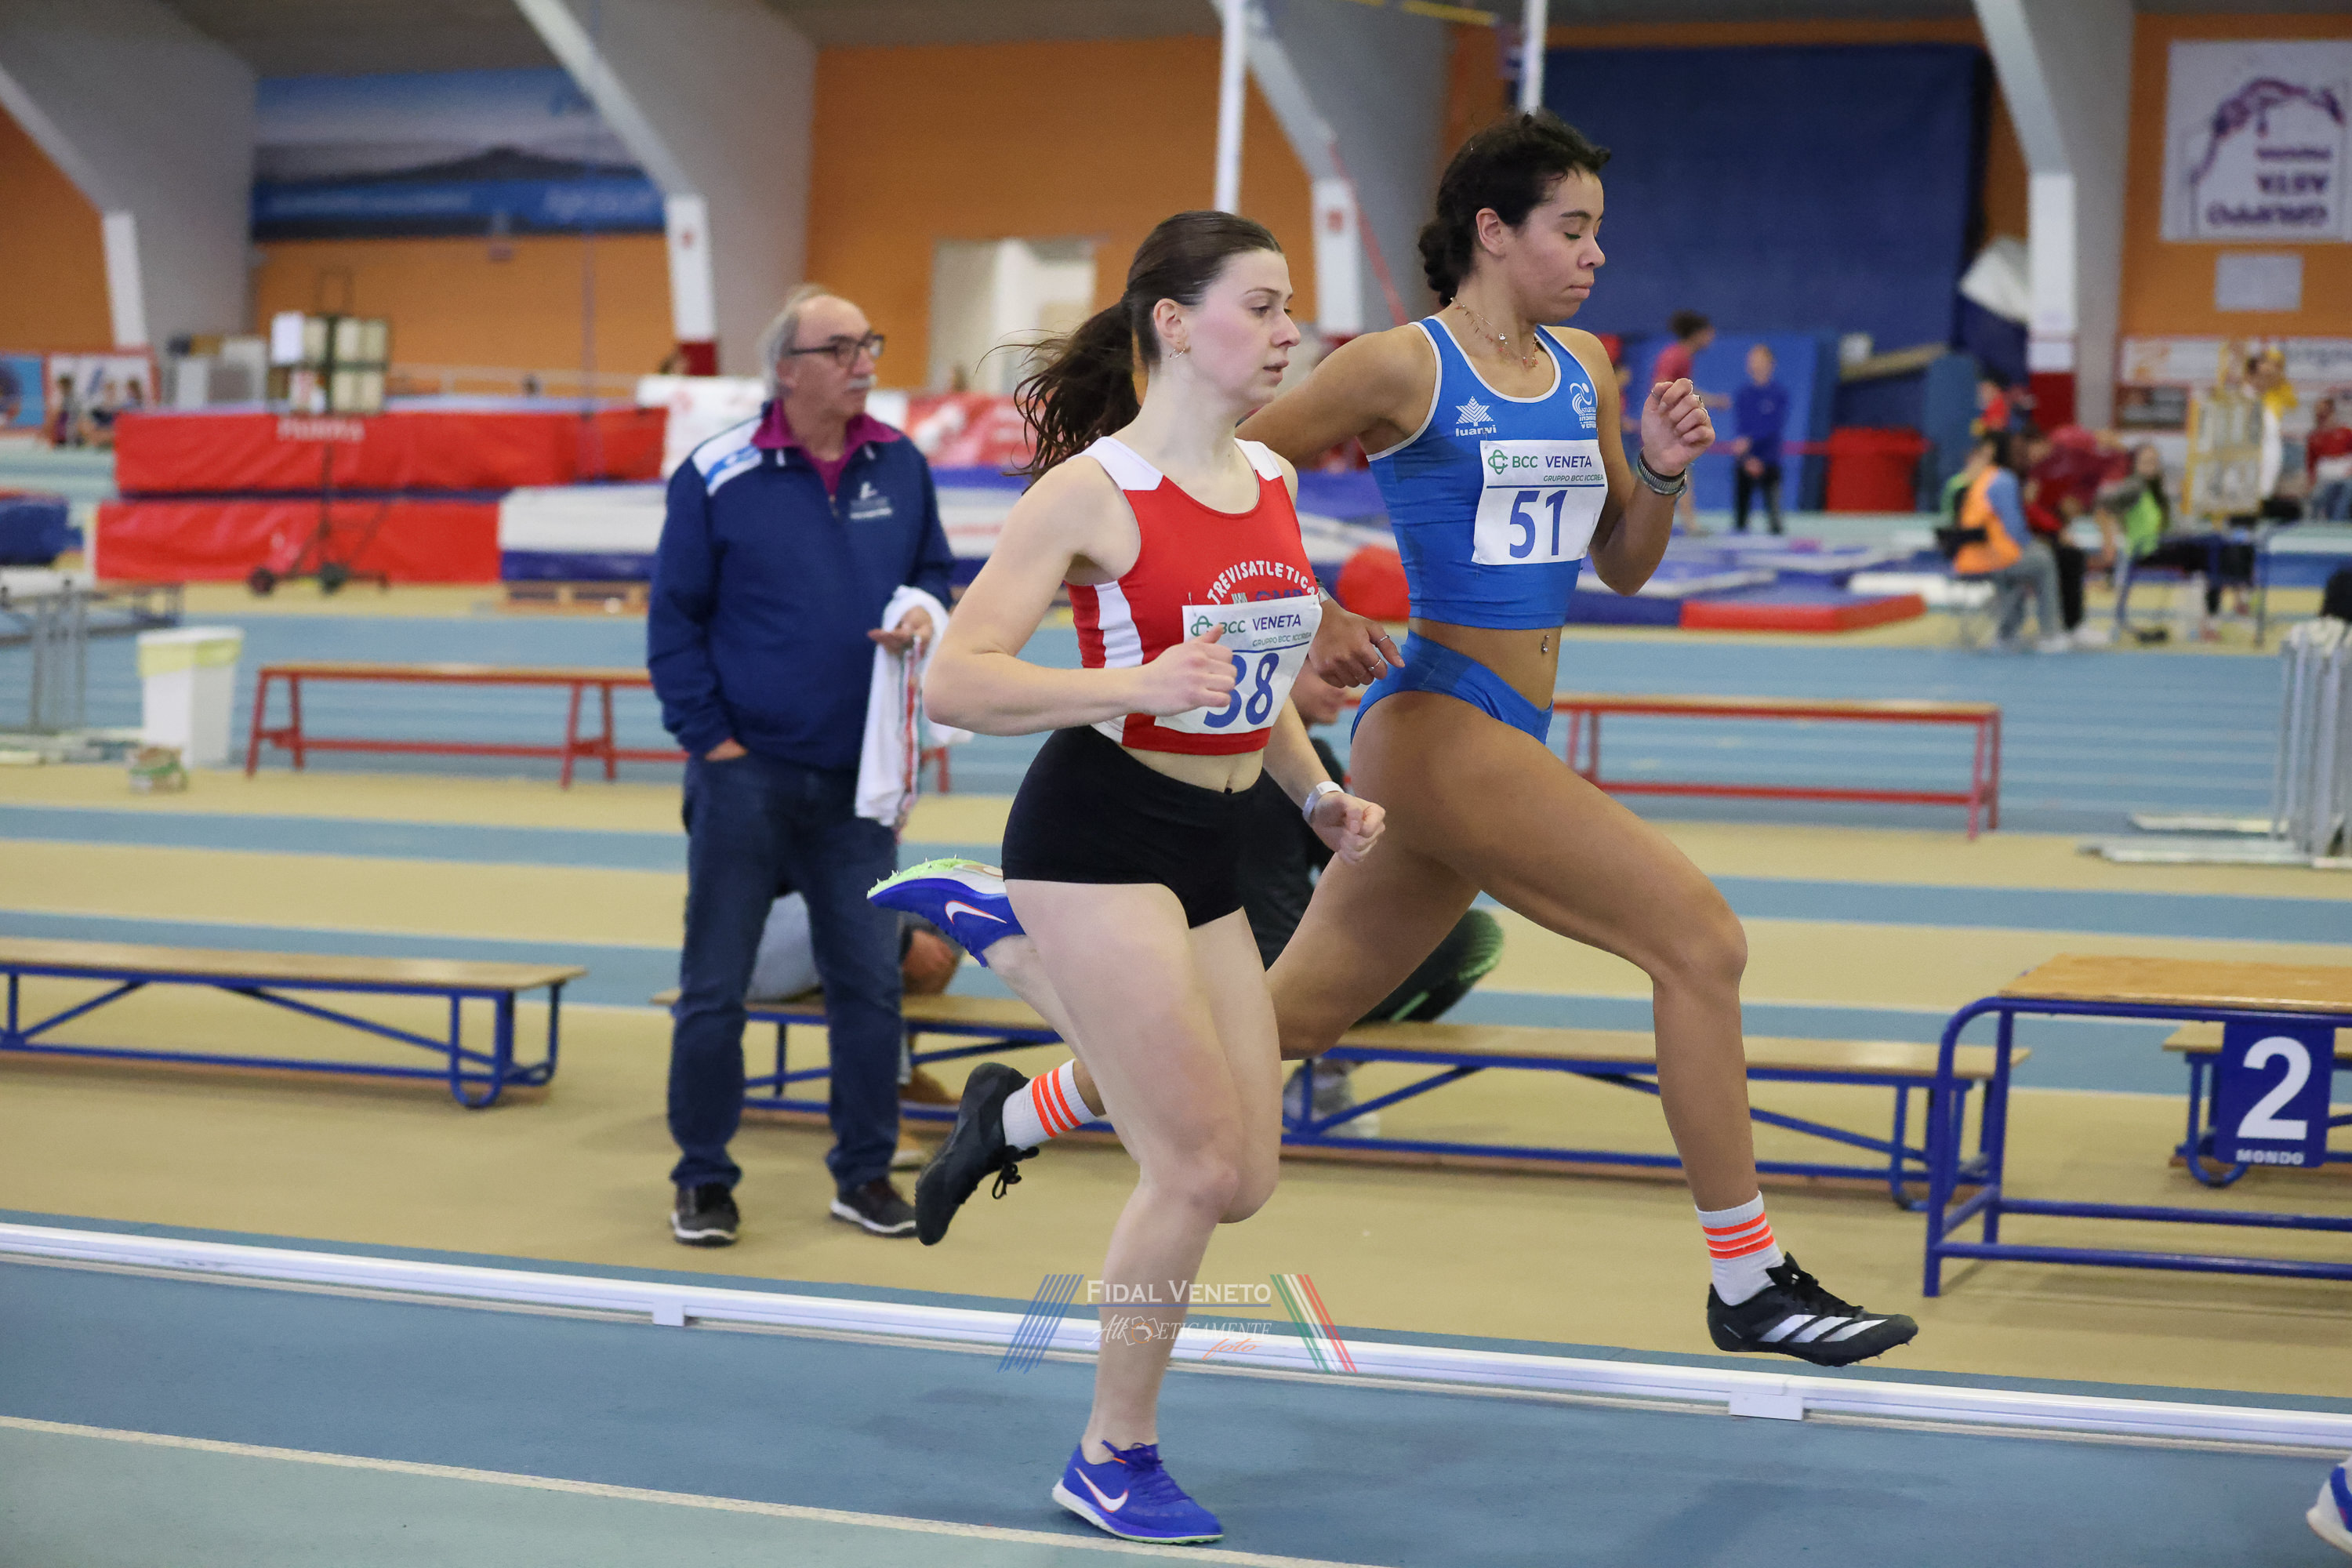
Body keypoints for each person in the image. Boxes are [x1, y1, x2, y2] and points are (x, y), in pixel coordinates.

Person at [895, 113, 1918, 1374]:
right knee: (1701, 942)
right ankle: (1749, 1279)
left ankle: (1017, 1112)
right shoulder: (1400, 367)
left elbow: (1624, 568)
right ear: (1493, 232)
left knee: (1285, 1024)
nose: (1596, 254)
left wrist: (1656, 472)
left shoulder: (1588, 367)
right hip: (1439, 724)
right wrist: (1312, 609)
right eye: (1572, 228)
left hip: (1504, 730)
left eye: (1598, 230)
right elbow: (1226, 471)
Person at [912, 211, 1384, 1545]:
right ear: (1174, 323)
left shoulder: (1269, 478)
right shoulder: (1092, 493)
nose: (1290, 332)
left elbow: (1251, 680)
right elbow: (956, 681)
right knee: (1189, 1168)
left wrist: (1316, 793)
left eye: (1292, 308)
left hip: (1211, 846)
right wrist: (1129, 683)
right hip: (1097, 838)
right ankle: (1111, 1455)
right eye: (1262, 305)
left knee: (1248, 1179)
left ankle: (1004, 955)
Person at [648, 284, 951, 1247]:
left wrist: (923, 612)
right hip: (745, 775)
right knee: (714, 988)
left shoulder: (901, 462)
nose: (866, 360)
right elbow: (673, 620)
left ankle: (864, 1172)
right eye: (842, 347)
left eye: (870, 342)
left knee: (869, 984)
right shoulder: (717, 472)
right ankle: (702, 1176)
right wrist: (713, 741)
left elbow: (936, 571)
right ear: (786, 368)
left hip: (860, 782)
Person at [1951, 431, 2068, 652]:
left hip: (1968, 560)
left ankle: (2007, 632)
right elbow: (2014, 528)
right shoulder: (2002, 479)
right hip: (1993, 558)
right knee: (2043, 561)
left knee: (2026, 565)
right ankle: (2050, 633)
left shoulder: (1973, 482)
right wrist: (2030, 544)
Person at [1652, 310, 1715, 529]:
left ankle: (1689, 523)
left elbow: (1684, 390)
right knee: (1676, 471)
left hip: (1669, 424)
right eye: (1708, 333)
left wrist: (1711, 401)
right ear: (1697, 333)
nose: (1712, 338)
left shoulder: (1683, 356)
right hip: (1666, 426)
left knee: (1680, 470)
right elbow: (1661, 386)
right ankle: (1689, 524)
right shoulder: (1676, 355)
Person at [1729, 343, 1788, 535]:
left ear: (1771, 363)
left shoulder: (1779, 394)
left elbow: (1773, 426)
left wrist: (1754, 446)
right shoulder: (1743, 394)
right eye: (1752, 360)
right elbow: (1741, 428)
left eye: (1759, 359)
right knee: (1740, 520)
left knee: (1775, 522)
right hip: (1746, 461)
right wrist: (1747, 458)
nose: (1755, 364)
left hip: (1769, 461)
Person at [2306, 395, 2352, 523]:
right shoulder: (2314, 436)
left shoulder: (2346, 433)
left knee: (2347, 488)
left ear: (2332, 412)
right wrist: (2311, 481)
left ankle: (2337, 522)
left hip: (2344, 472)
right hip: (2325, 473)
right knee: (2317, 495)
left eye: (2324, 412)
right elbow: (2311, 462)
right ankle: (2313, 523)